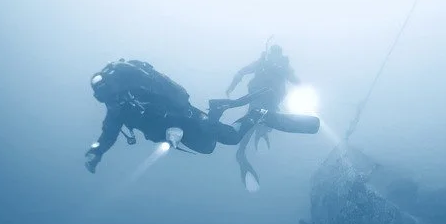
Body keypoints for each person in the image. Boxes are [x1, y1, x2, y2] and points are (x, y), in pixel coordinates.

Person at [84, 59, 319, 173]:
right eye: (105, 100)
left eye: (111, 97)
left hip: (186, 118)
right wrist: (96, 152)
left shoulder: (139, 89)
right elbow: (108, 133)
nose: (110, 103)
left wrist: (177, 121)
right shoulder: (117, 109)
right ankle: (221, 111)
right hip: (171, 134)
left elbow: (172, 93)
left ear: (115, 89)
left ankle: (257, 113)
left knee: (230, 138)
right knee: (208, 147)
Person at [211, 44, 302, 187]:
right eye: (273, 54)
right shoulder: (262, 63)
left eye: (276, 54)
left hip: (270, 100)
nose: (274, 57)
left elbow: (296, 81)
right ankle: (245, 149)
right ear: (270, 54)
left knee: (261, 119)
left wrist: (293, 78)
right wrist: (231, 86)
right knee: (256, 118)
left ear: (280, 55)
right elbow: (242, 72)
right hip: (259, 98)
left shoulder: (281, 66)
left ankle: (256, 138)